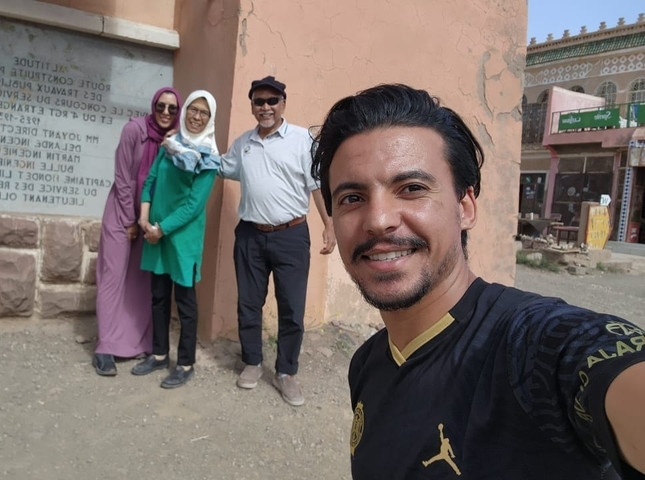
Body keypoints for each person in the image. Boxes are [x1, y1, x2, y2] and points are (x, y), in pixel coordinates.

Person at [310, 83, 645, 479]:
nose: (379, 219)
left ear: (465, 207)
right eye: (352, 198)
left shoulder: (532, 347)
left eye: (412, 189)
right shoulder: (367, 365)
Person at [220, 76, 336, 407]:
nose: (266, 107)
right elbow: (219, 168)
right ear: (252, 106)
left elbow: (317, 185)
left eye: (272, 101)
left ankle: (286, 372)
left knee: (291, 307)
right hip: (250, 235)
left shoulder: (302, 140)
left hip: (291, 235)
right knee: (248, 303)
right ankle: (253, 362)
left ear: (283, 103)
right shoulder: (243, 143)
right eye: (259, 102)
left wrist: (329, 224)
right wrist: (185, 152)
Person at [130, 90, 220, 388]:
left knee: (185, 302)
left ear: (210, 119)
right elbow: (150, 181)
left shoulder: (209, 158)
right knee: (158, 297)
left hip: (181, 238)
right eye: (192, 110)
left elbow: (194, 206)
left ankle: (185, 362)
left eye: (203, 113)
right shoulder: (170, 145)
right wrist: (144, 218)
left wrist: (161, 229)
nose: (196, 117)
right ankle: (158, 355)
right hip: (154, 231)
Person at [93, 87, 181, 376]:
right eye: (161, 106)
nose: (166, 112)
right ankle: (105, 347)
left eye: (172, 108)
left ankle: (135, 342)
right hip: (121, 216)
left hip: (149, 221)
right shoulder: (134, 130)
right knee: (113, 278)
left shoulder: (175, 139)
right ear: (153, 106)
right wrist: (130, 220)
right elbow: (122, 178)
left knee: (140, 283)